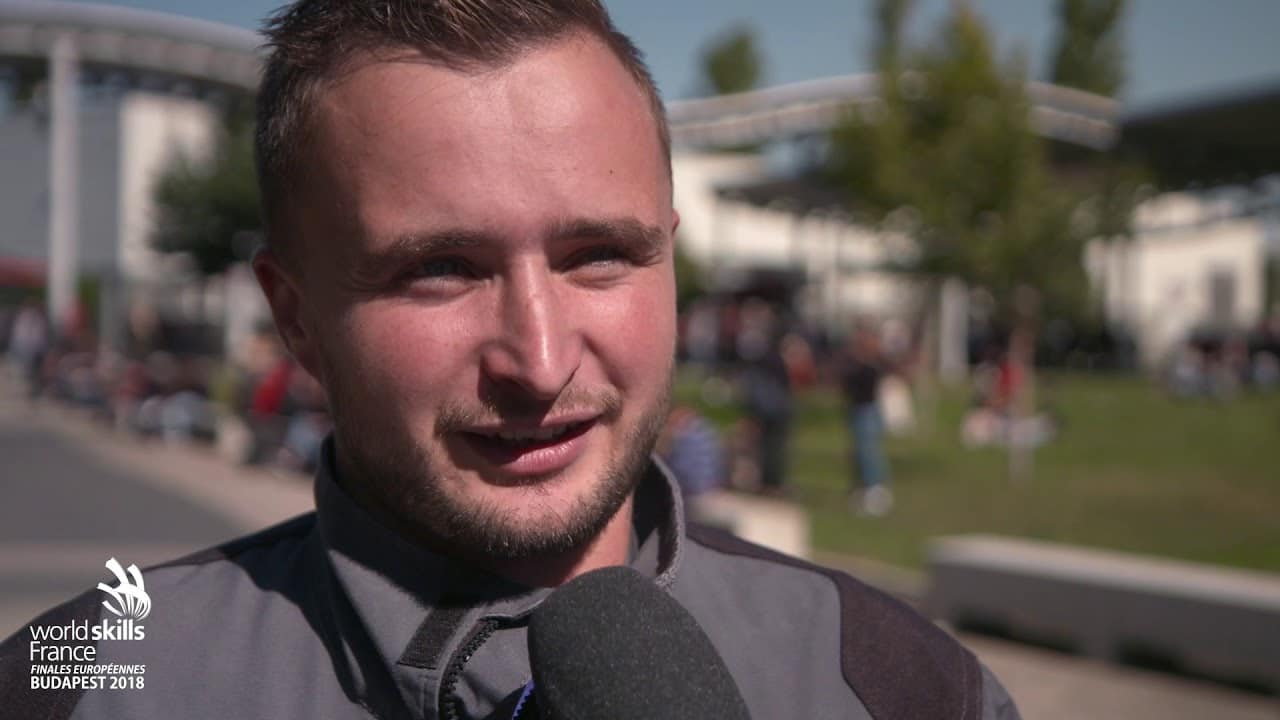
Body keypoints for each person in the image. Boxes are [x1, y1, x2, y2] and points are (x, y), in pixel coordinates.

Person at [1, 2, 1019, 718]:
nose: (537, 360)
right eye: (441, 269)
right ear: (296, 319)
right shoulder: (78, 685)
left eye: (599, 256)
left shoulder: (901, 688)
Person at [841, 323, 893, 516]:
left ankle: (876, 490)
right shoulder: (857, 363)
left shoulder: (870, 365)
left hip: (867, 411)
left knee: (869, 452)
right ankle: (863, 488)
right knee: (860, 453)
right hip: (857, 411)